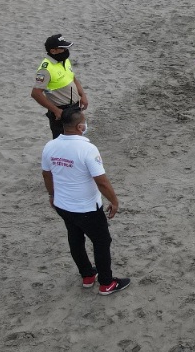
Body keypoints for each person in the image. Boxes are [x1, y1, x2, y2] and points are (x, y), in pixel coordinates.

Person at [41, 107, 130, 296]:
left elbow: (47, 174)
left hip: (63, 205)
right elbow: (101, 181)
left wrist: (52, 195)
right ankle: (106, 283)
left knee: (75, 238)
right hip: (86, 207)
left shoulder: (50, 146)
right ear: (80, 127)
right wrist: (114, 200)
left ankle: (87, 275)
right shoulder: (87, 149)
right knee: (101, 241)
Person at [32, 34, 89, 139]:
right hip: (62, 112)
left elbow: (73, 78)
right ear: (53, 51)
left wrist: (83, 96)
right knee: (63, 141)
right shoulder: (45, 69)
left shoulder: (64, 60)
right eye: (63, 49)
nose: (66, 51)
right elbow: (36, 93)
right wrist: (56, 111)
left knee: (80, 137)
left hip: (75, 108)